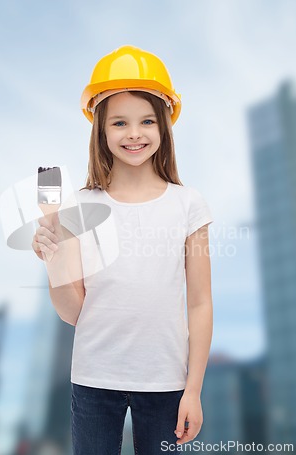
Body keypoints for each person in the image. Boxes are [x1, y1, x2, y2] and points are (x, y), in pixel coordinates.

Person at [32, 44, 213, 455]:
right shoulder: (77, 207)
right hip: (94, 379)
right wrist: (53, 255)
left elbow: (200, 303)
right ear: (101, 129)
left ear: (165, 125)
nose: (134, 133)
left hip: (167, 383)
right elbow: (74, 312)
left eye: (147, 120)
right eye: (119, 122)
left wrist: (194, 390)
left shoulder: (189, 204)